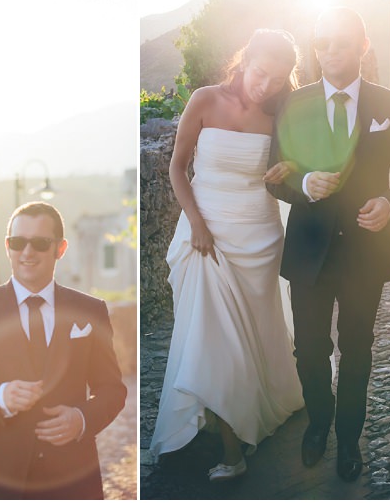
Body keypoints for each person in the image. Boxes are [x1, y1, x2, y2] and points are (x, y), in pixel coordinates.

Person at [267, 6, 390, 482]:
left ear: (363, 46)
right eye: (322, 44)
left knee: (358, 348)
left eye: (341, 42)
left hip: (366, 250)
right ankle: (318, 425)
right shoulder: (294, 104)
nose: (330, 51)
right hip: (309, 250)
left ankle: (350, 438)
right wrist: (304, 181)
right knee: (310, 350)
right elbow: (277, 177)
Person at [149, 29, 305, 482]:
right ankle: (232, 447)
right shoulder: (203, 99)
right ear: (244, 61)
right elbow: (178, 167)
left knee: (256, 336)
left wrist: (290, 167)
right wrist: (196, 223)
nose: (265, 86)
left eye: (277, 80)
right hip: (206, 234)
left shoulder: (283, 112)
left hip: (258, 235)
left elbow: (299, 167)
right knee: (213, 338)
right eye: (260, 73)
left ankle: (260, 406)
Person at [0, 201, 127, 499]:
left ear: (60, 248)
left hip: (72, 479)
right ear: (7, 246)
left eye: (40, 243)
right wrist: (0, 396)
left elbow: (112, 389)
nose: (27, 253)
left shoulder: (91, 310)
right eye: (18, 242)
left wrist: (81, 419)